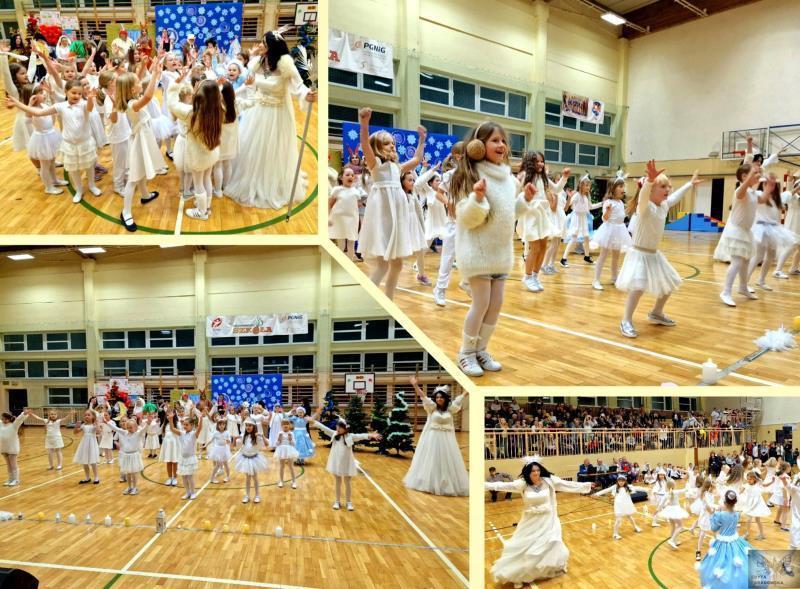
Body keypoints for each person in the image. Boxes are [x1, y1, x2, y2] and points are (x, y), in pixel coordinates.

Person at [450, 121, 538, 376]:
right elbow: (467, 219)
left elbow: (508, 213)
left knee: (496, 304)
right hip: (477, 252)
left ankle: (481, 349)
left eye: (503, 141)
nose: (501, 145)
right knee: (481, 304)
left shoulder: (508, 179)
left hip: (500, 253)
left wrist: (525, 199)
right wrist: (477, 198)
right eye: (494, 140)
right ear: (478, 146)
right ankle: (466, 353)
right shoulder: (470, 176)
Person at [225, 30, 317, 210]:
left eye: (263, 43)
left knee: (271, 148)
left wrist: (307, 95)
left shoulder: (285, 64)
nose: (260, 45)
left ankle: (271, 183)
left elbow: (299, 85)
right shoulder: (257, 63)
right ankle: (249, 178)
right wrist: (230, 95)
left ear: (271, 47)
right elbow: (248, 85)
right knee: (252, 146)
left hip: (277, 114)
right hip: (257, 111)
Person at [616, 161, 701, 337]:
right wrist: (649, 181)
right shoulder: (644, 207)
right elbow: (643, 196)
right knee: (638, 287)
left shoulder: (663, 205)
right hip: (639, 253)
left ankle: (656, 312)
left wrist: (689, 184)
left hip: (654, 254)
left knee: (669, 282)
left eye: (668, 186)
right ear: (651, 190)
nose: (668, 189)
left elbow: (675, 197)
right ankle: (626, 320)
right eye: (663, 186)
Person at [484, 458, 592, 585]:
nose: (536, 473)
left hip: (548, 520)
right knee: (526, 546)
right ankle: (520, 573)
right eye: (533, 471)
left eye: (538, 470)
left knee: (550, 543)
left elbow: (567, 485)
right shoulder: (522, 484)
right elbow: (502, 485)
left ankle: (551, 566)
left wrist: (587, 485)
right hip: (530, 521)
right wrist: (483, 485)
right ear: (528, 472)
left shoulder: (549, 481)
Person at [355, 107, 425, 298]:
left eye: (393, 143)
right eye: (386, 143)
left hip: (397, 214)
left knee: (398, 264)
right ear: (377, 147)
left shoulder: (398, 167)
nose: (392, 146)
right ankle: (367, 297)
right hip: (383, 213)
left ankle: (389, 298)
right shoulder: (375, 164)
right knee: (383, 265)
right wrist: (364, 123)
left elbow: (417, 159)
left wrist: (421, 141)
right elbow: (364, 143)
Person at [403, 376, 469, 496]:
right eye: (437, 397)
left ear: (445, 398)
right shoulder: (432, 408)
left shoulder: (450, 409)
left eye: (441, 397)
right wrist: (415, 385)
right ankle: (429, 482)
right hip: (433, 438)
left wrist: (468, 388)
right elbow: (423, 396)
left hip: (447, 439)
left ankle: (446, 483)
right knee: (432, 459)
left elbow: (461, 397)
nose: (439, 399)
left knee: (446, 461)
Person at [309, 407, 381, 511]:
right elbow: (324, 428)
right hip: (336, 463)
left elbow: (360, 436)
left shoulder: (350, 436)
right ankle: (337, 501)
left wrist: (370, 435)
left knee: (347, 483)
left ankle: (348, 502)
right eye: (337, 427)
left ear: (345, 428)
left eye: (340, 427)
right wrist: (314, 422)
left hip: (347, 463)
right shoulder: (334, 434)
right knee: (338, 482)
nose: (337, 429)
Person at [698, 490, 753, 588]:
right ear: (734, 503)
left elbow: (714, 528)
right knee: (738, 562)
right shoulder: (736, 514)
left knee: (721, 563)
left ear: (725, 503)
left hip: (722, 542)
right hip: (735, 541)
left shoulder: (720, 515)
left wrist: (712, 514)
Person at [592, 174, 632, 290]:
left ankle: (614, 278)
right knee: (603, 256)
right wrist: (608, 211)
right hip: (609, 230)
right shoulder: (608, 202)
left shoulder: (620, 202)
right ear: (613, 188)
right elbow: (604, 219)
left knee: (616, 256)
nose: (623, 189)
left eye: (623, 186)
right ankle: (596, 280)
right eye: (620, 186)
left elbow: (622, 216)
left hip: (620, 230)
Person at [593, 474, 645, 539]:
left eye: (622, 481)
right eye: (619, 481)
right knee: (618, 520)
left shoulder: (628, 487)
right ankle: (615, 534)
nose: (621, 482)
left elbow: (638, 488)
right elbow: (606, 490)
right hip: (618, 506)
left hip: (626, 504)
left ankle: (635, 527)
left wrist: (647, 489)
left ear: (625, 481)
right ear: (617, 481)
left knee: (630, 516)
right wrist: (597, 494)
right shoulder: (615, 487)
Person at [1, 410, 29, 486]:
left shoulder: (14, 425)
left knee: (13, 464)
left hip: (12, 448)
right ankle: (10, 479)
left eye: (5, 419)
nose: (3, 420)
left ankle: (16, 480)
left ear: (9, 418)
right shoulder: (1, 424)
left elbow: (19, 419)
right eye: (2, 419)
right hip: (4, 448)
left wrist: (24, 414)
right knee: (8, 465)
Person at [274, 420, 299, 489]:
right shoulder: (279, 433)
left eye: (287, 424)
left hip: (289, 450)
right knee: (282, 466)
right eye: (284, 424)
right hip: (281, 450)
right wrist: (279, 439)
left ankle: (294, 481)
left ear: (289, 425)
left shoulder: (291, 433)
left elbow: (294, 444)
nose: (285, 425)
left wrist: (290, 439)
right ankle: (281, 481)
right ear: (281, 426)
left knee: (291, 466)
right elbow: (276, 444)